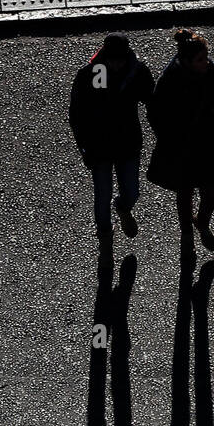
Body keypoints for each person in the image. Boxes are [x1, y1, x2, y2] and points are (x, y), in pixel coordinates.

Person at [68, 34, 155, 269]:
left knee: (132, 192)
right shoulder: (89, 75)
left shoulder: (136, 72)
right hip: (100, 147)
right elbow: (77, 114)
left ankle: (124, 207)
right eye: (112, 60)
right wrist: (84, 146)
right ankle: (105, 244)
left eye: (120, 60)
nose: (116, 65)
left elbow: (151, 100)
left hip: (127, 144)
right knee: (102, 196)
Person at [147, 29, 214, 260]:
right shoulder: (169, 79)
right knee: (184, 193)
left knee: (211, 193)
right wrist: (168, 137)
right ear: (186, 61)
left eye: (206, 57)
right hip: (181, 145)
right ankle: (187, 234)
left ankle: (202, 221)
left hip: (207, 143)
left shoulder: (212, 72)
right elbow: (155, 112)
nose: (206, 62)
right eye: (200, 59)